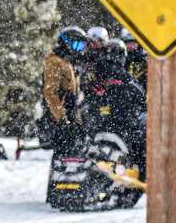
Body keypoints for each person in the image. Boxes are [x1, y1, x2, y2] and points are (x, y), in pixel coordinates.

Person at [84, 40, 147, 179]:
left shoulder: (95, 75)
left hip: (99, 125)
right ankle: (144, 174)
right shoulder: (127, 77)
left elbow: (87, 96)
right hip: (122, 125)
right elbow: (141, 96)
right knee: (144, 143)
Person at [42, 26, 87, 152]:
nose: (80, 50)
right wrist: (62, 120)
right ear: (67, 42)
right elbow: (50, 92)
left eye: (82, 47)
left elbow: (72, 94)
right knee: (64, 155)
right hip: (60, 121)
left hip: (70, 118)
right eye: (78, 45)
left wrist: (77, 122)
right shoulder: (54, 62)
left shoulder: (68, 63)